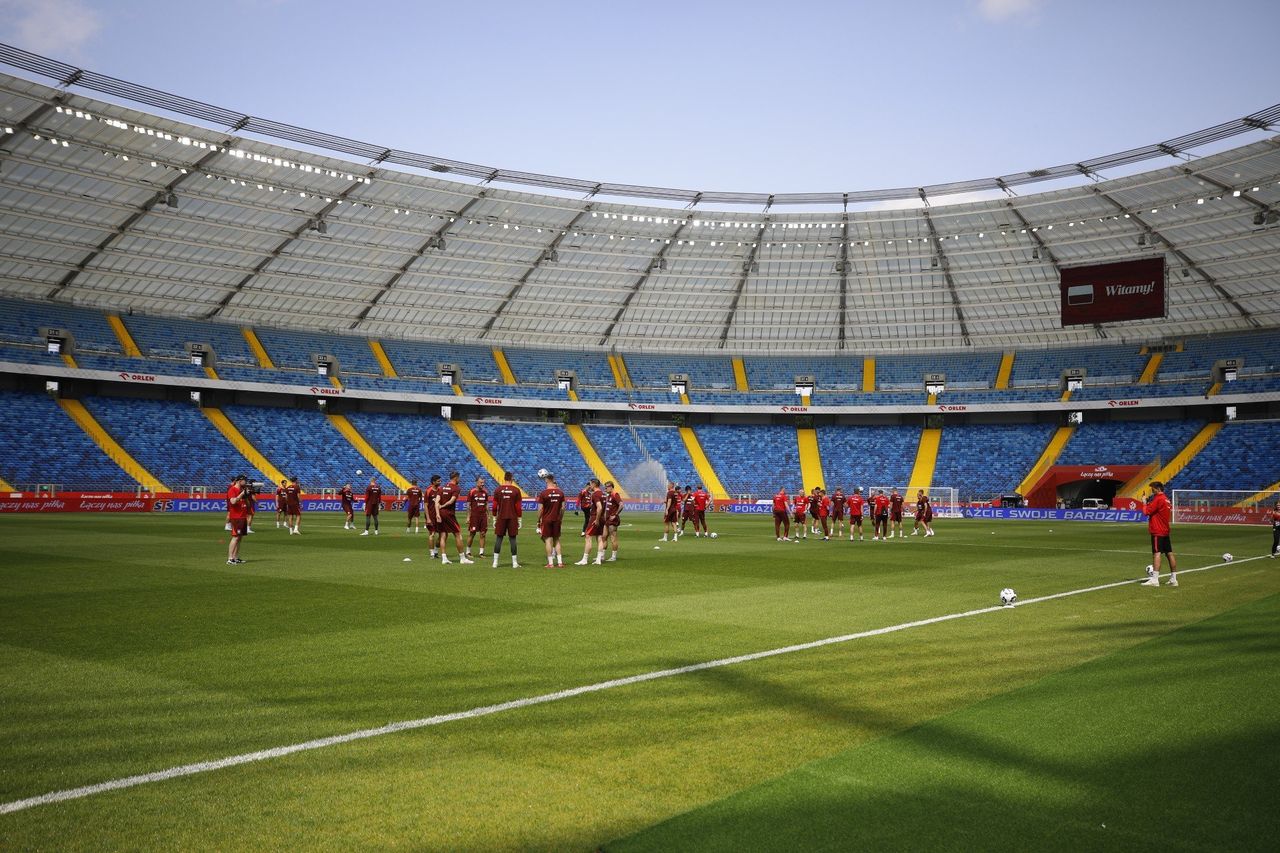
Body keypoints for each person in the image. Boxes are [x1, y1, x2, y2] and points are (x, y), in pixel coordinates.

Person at [1141, 480, 1176, 586]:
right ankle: (1174, 579)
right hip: (1165, 530)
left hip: (1157, 530)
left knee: (1156, 553)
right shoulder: (1166, 499)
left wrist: (1144, 503)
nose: (1152, 492)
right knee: (1169, 553)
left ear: (1158, 489)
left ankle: (1155, 580)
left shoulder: (1158, 499)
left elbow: (1146, 512)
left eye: (1153, 489)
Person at [436, 471, 473, 564]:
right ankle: (462, 558)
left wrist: (437, 514)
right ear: (456, 478)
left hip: (441, 513)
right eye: (459, 477)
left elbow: (436, 501)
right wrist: (443, 506)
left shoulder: (442, 487)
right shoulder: (456, 488)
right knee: (457, 534)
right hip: (449, 514)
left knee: (443, 535)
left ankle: (444, 558)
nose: (459, 479)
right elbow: (451, 501)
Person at [491, 471, 522, 568]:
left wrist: (494, 517)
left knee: (499, 538)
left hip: (501, 517)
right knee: (512, 539)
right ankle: (514, 563)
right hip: (512, 517)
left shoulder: (498, 489)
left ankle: (495, 563)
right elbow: (518, 507)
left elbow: (494, 506)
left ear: (504, 478)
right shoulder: (516, 490)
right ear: (511, 478)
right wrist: (519, 519)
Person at [536, 472, 565, 567]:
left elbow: (540, 509)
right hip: (557, 519)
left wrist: (538, 520)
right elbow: (563, 508)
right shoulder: (560, 493)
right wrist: (560, 518)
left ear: (546, 480)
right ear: (553, 480)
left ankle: (550, 563)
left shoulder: (543, 493)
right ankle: (560, 562)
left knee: (548, 540)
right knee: (557, 540)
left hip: (546, 519)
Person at [576, 478, 607, 565]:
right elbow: (604, 508)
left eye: (590, 484)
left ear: (594, 484)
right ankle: (598, 559)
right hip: (602, 518)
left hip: (595, 517)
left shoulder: (595, 494)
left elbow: (599, 507)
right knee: (599, 537)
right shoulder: (603, 494)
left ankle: (584, 560)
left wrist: (596, 520)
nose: (590, 486)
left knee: (588, 536)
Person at [225, 473, 249, 564]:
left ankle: (235, 557)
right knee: (235, 537)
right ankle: (230, 558)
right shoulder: (232, 489)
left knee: (240, 538)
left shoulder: (242, 489)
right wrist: (242, 494)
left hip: (242, 516)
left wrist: (246, 496)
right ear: (239, 481)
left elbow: (247, 504)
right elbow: (233, 501)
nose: (246, 482)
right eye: (244, 480)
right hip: (236, 517)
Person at [465, 475, 489, 559]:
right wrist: (468, 517)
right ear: (477, 483)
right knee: (472, 533)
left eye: (483, 482)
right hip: (474, 516)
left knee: (483, 534)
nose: (483, 484)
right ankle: (468, 552)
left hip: (483, 516)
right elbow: (468, 505)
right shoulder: (472, 492)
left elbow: (486, 504)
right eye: (481, 482)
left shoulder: (485, 492)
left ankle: (481, 553)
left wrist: (488, 515)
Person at [604, 480, 623, 561]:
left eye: (606, 487)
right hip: (607, 520)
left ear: (611, 487)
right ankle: (602, 555)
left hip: (613, 520)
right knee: (604, 537)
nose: (605, 489)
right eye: (605, 487)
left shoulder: (615, 494)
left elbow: (621, 505)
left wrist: (615, 514)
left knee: (613, 538)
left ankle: (613, 557)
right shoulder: (608, 496)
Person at [424, 474, 442, 558]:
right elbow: (425, 505)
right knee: (432, 534)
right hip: (431, 516)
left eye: (440, 481)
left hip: (439, 516)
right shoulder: (428, 491)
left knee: (442, 534)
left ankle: (436, 551)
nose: (440, 482)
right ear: (433, 482)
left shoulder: (440, 490)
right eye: (438, 481)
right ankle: (432, 553)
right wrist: (428, 518)